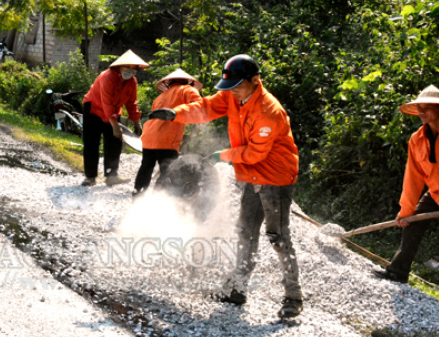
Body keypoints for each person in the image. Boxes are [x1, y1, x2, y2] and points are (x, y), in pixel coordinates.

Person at [149, 54, 302, 318]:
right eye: (229, 87)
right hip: (252, 175)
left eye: (237, 86)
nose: (232, 92)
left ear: (255, 81)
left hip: (274, 178)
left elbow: (255, 154)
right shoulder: (233, 96)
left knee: (277, 236)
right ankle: (238, 289)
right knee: (245, 232)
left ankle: (293, 297)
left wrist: (223, 155)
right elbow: (206, 108)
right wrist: (177, 114)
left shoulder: (268, 111)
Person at [372, 85, 439, 302]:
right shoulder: (416, 139)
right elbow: (413, 177)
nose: (422, 112)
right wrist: (406, 210)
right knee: (412, 224)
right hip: (437, 192)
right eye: (419, 108)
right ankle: (397, 272)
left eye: (427, 107)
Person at [81, 50, 149, 187]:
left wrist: (137, 122)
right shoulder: (107, 77)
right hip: (94, 108)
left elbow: (131, 102)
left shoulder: (132, 82)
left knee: (114, 143)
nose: (131, 72)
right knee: (91, 143)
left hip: (113, 111)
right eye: (128, 68)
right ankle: (90, 177)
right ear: (120, 66)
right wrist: (115, 126)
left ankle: (111, 176)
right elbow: (106, 102)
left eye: (134, 70)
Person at [133, 69, 203, 198]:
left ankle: (137, 197)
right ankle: (160, 201)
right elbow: (199, 105)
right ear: (187, 82)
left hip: (149, 137)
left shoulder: (160, 97)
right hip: (167, 139)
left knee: (146, 167)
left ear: (169, 83)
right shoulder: (186, 89)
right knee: (169, 171)